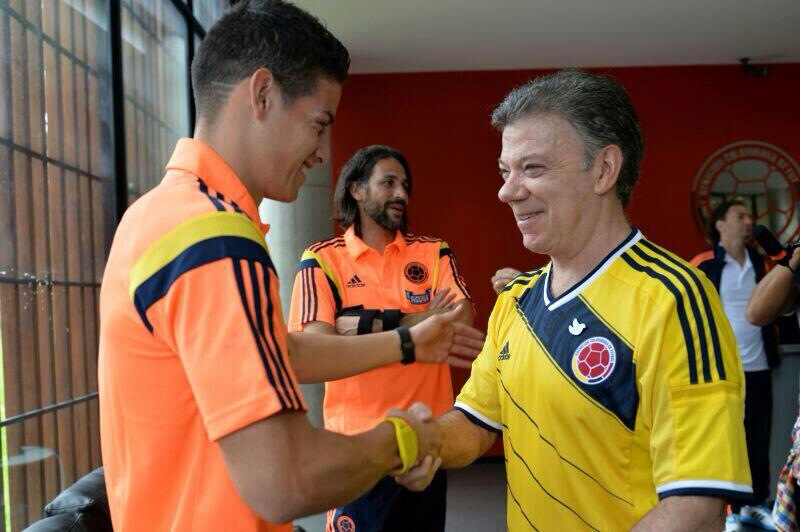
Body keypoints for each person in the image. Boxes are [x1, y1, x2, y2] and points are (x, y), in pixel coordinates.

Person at [97, 2, 484, 530]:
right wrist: (406, 438)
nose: (322, 152)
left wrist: (408, 343)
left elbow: (282, 351)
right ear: (262, 94)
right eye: (318, 124)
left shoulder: (154, 215)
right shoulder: (215, 238)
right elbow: (286, 479)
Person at [395, 70, 752, 531]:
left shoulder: (674, 299)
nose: (507, 191)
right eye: (505, 171)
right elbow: (476, 422)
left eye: (533, 168)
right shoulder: (516, 300)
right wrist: (423, 442)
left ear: (604, 170)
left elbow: (697, 504)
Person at [287, 144, 476, 531]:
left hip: (425, 439)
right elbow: (318, 345)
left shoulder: (433, 252)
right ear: (357, 190)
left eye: (405, 185)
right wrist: (416, 321)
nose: (401, 194)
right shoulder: (322, 260)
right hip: (356, 448)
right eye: (388, 183)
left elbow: (460, 319)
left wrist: (358, 324)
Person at [691, 200, 781, 530]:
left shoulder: (762, 262)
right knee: (727, 442)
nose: (748, 221)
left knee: (758, 439)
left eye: (749, 216)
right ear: (720, 225)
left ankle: (754, 505)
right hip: (722, 373)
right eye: (739, 216)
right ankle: (728, 509)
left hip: (759, 367)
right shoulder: (703, 264)